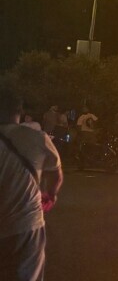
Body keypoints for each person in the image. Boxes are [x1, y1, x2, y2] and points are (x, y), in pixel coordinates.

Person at [0, 86, 63, 280]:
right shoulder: (37, 138)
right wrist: (50, 194)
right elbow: (55, 175)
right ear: (20, 111)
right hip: (26, 228)